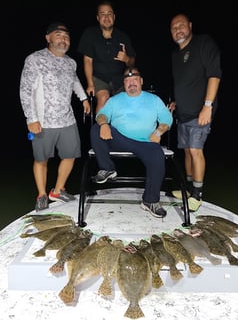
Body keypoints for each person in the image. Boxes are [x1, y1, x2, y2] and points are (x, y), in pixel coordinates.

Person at [19, 22, 90, 211]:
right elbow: (25, 90)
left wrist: (83, 98)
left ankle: (57, 190)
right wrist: (31, 119)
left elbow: (74, 81)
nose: (63, 39)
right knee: (41, 159)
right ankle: (42, 195)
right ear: (48, 38)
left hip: (67, 119)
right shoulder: (35, 59)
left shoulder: (70, 62)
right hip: (43, 122)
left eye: (66, 36)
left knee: (71, 155)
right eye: (58, 35)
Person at [90, 66, 173, 218]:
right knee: (96, 129)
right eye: (128, 80)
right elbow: (102, 114)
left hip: (145, 142)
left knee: (157, 156)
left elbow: (167, 119)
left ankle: (150, 200)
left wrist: (159, 132)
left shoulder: (153, 100)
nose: (131, 82)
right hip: (119, 139)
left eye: (135, 79)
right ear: (124, 84)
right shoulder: (116, 100)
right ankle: (107, 168)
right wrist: (103, 124)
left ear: (141, 81)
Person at [168, 13, 222, 212]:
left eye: (181, 25)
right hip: (183, 113)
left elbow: (214, 75)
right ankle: (188, 189)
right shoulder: (175, 55)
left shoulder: (203, 43)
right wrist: (176, 102)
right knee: (186, 152)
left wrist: (207, 106)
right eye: (174, 28)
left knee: (195, 150)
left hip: (201, 112)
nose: (178, 30)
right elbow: (183, 83)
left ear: (190, 25)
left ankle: (197, 195)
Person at [77, 0, 136, 113]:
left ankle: (119, 129)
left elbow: (132, 62)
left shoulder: (123, 36)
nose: (106, 17)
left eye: (109, 14)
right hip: (99, 78)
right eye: (102, 14)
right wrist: (90, 84)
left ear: (114, 17)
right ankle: (101, 129)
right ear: (98, 18)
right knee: (104, 98)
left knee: (122, 104)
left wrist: (126, 58)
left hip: (119, 79)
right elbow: (88, 60)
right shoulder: (89, 34)